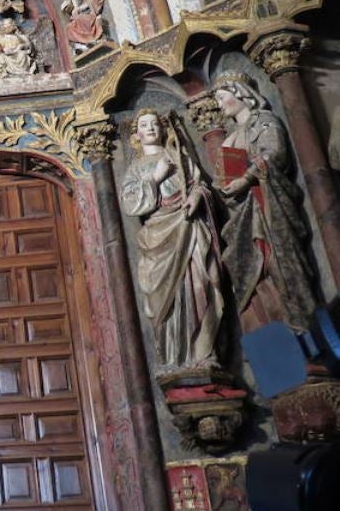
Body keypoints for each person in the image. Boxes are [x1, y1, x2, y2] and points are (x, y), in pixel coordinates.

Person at [213, 72, 321, 331]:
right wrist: (224, 186)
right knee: (251, 275)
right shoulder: (231, 135)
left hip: (267, 204)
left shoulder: (263, 121)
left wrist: (246, 177)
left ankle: (304, 331)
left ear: (240, 92)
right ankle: (276, 338)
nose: (219, 104)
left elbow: (276, 153)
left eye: (221, 97)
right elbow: (224, 174)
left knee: (278, 265)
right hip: (242, 213)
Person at [119, 110, 225, 369]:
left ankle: (203, 352)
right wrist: (155, 177)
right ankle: (175, 356)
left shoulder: (179, 157)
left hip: (188, 225)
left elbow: (199, 184)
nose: (151, 128)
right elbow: (131, 204)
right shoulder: (135, 167)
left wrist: (196, 196)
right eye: (145, 125)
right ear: (137, 134)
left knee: (201, 286)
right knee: (167, 299)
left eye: (155, 124)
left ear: (163, 129)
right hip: (159, 234)